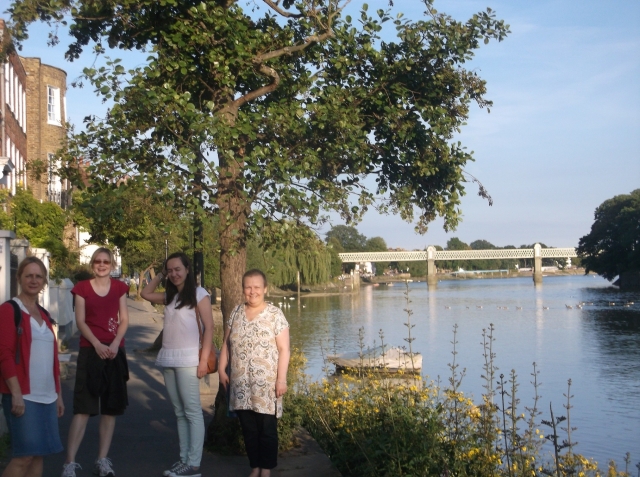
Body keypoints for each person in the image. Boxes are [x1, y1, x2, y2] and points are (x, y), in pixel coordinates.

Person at [141, 252, 214, 477]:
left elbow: (209, 328)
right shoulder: (170, 296)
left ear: (187, 269)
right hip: (169, 358)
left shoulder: (199, 294)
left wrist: (203, 361)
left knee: (192, 412)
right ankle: (184, 459)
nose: (174, 274)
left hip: (189, 360)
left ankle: (194, 464)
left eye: (177, 269)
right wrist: (161, 274)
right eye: (170, 270)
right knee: (180, 413)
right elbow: (145, 293)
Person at [61, 248, 130, 477]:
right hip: (90, 350)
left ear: (112, 265)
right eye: (98, 261)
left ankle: (102, 460)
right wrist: (97, 344)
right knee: (83, 408)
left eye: (106, 262)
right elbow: (80, 321)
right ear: (92, 264)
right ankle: (70, 463)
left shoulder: (120, 288)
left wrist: (115, 343)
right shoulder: (82, 288)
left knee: (110, 409)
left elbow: (124, 319)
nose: (102, 265)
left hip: (114, 351)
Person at [218, 269, 290, 477]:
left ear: (265, 289)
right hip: (240, 384)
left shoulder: (275, 315)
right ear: (243, 289)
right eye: (248, 287)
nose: (252, 291)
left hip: (266, 385)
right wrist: (222, 369)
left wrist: (281, 380)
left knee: (267, 430)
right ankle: (255, 467)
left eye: (257, 287)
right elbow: (226, 344)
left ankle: (266, 469)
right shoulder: (236, 313)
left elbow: (284, 349)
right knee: (248, 430)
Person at [0, 257, 64, 477]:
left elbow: (52, 359)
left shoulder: (44, 314)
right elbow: (4, 355)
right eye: (29, 276)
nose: (34, 280)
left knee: (38, 455)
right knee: (24, 457)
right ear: (19, 278)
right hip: (24, 396)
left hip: (48, 396)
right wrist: (16, 394)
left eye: (38, 276)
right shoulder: (9, 310)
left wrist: (58, 395)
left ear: (44, 280)